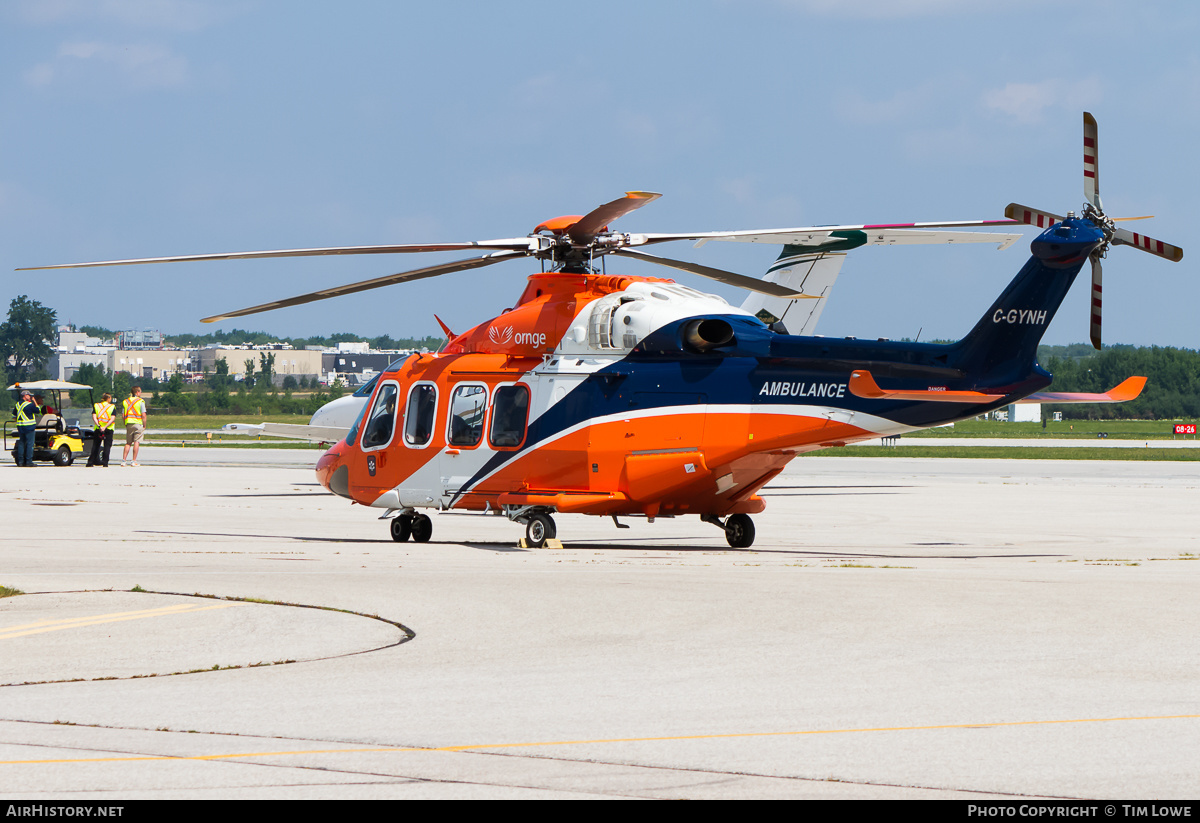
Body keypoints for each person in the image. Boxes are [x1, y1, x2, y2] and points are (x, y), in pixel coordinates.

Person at [121, 386, 147, 467]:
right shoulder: (140, 401)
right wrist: (144, 425)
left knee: (128, 443)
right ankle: (133, 460)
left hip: (129, 423)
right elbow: (143, 415)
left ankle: (124, 460)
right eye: (140, 391)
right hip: (138, 423)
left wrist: (125, 423)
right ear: (137, 392)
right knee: (136, 442)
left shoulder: (126, 401)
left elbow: (123, 415)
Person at [87, 392, 116, 467]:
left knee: (95, 446)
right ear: (108, 398)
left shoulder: (96, 406)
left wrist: (99, 425)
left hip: (98, 429)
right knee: (107, 446)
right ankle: (105, 462)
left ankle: (90, 462)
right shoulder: (112, 407)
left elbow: (94, 417)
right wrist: (105, 426)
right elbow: (112, 418)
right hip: (108, 428)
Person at [12, 389, 37, 467]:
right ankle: (29, 461)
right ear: (25, 396)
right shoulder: (29, 405)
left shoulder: (17, 404)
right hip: (29, 427)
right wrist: (34, 401)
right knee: (30, 444)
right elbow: (38, 410)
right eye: (29, 395)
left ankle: (20, 462)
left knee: (22, 444)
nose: (30, 397)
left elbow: (14, 416)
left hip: (20, 427)